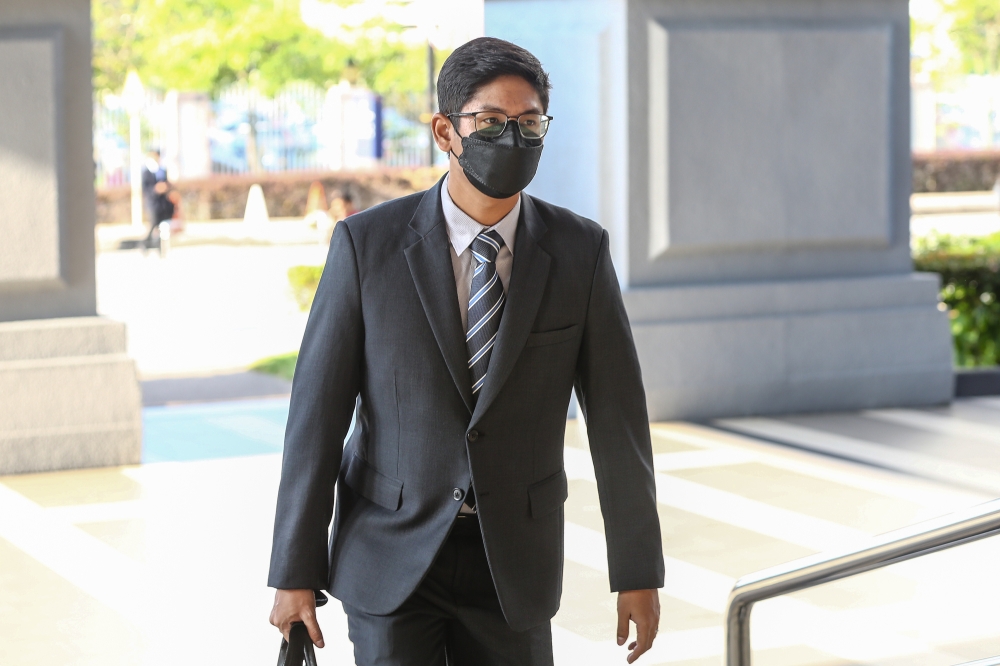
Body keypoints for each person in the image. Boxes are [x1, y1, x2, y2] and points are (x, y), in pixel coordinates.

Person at [268, 37, 664, 666]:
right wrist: (294, 570)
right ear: (445, 131)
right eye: (491, 123)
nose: (513, 139)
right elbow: (315, 418)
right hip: (389, 556)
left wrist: (637, 571)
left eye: (529, 123)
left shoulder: (579, 252)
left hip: (514, 565)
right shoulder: (365, 247)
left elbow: (619, 424)